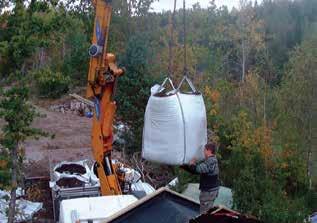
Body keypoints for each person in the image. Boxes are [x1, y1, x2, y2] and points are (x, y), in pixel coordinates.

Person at [182, 142, 220, 214]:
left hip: (208, 193)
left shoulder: (210, 161)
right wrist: (184, 166)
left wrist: (192, 163)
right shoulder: (212, 160)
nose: (203, 152)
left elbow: (197, 169)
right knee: (207, 211)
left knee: (204, 213)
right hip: (211, 191)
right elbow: (197, 171)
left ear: (209, 151)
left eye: (204, 150)